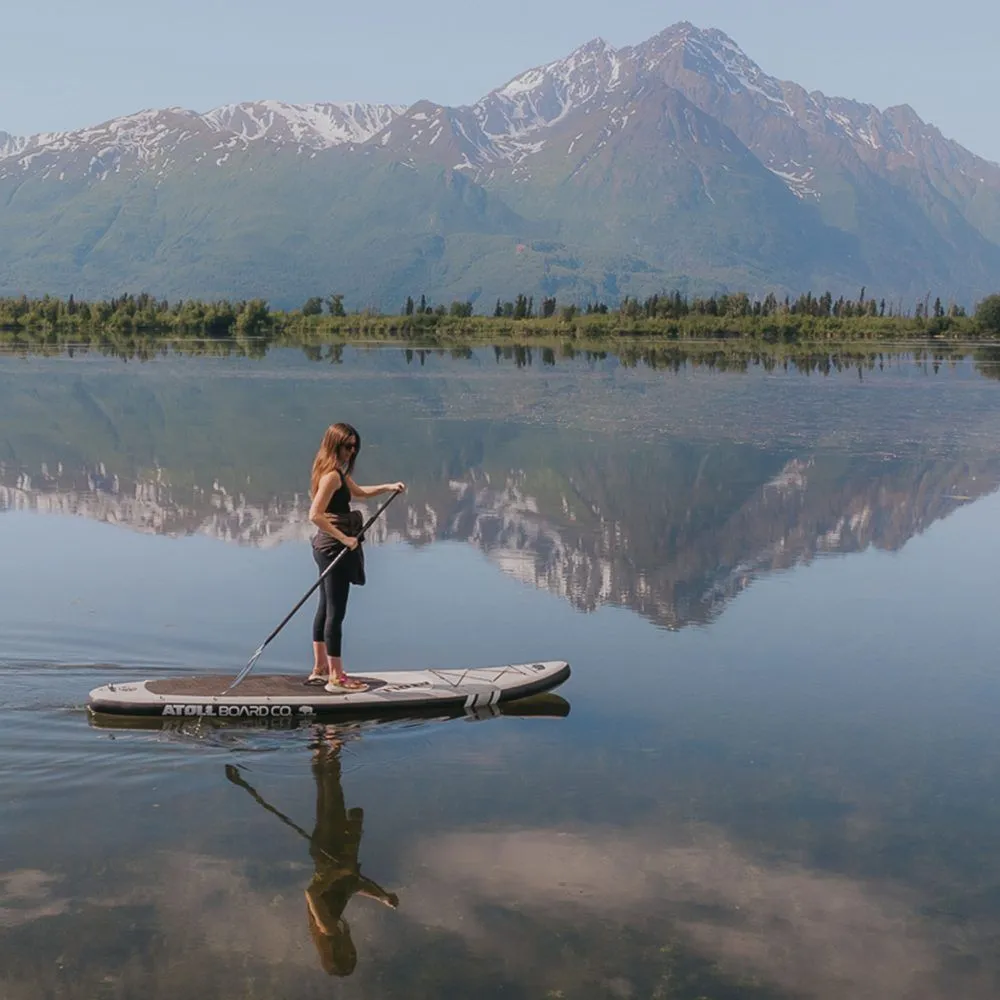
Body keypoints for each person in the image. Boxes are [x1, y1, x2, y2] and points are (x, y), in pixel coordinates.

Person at [307, 422, 404, 692]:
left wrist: (388, 487)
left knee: (325, 607)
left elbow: (359, 492)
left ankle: (320, 668)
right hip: (332, 547)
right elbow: (314, 515)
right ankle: (336, 679)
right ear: (335, 444)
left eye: (355, 446)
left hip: (323, 547)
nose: (352, 451)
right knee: (336, 613)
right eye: (348, 446)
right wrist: (345, 538)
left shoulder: (331, 469)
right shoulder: (331, 476)